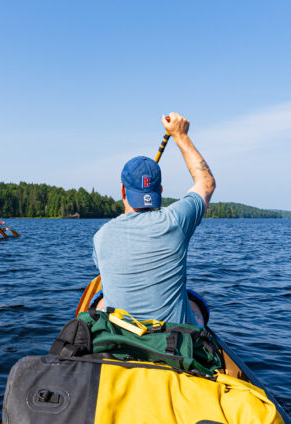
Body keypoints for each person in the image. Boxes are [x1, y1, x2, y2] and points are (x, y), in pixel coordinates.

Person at [92, 112, 215, 324]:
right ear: (160, 190)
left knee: (101, 302)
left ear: (122, 190)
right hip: (173, 345)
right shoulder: (176, 220)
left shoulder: (102, 236)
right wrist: (180, 136)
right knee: (194, 303)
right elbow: (206, 182)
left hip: (122, 340)